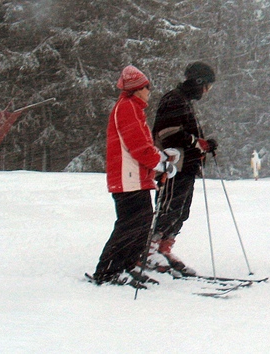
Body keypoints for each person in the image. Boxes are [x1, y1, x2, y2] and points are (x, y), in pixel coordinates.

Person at [91, 65, 179, 289]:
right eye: (147, 86)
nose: (149, 90)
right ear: (138, 89)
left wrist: (160, 159)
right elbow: (138, 146)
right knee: (130, 224)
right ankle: (107, 270)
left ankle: (128, 263)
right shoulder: (127, 107)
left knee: (142, 222)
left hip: (136, 177)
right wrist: (160, 164)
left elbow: (144, 145)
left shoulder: (134, 108)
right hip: (127, 177)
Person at [146, 61, 218, 277]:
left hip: (186, 166)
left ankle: (164, 249)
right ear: (198, 82)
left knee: (180, 211)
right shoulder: (174, 99)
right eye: (207, 86)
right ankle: (149, 251)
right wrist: (199, 143)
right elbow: (169, 134)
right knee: (168, 208)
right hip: (172, 166)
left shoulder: (184, 101)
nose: (206, 92)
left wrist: (203, 145)